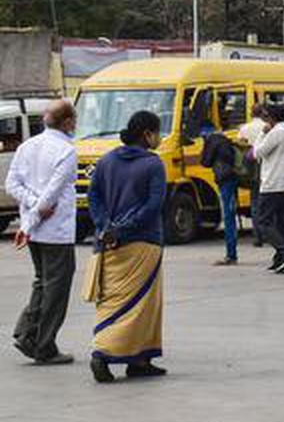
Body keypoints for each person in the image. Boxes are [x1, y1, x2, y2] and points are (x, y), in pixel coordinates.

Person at [86, 111, 168, 383]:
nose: (159, 137)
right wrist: (124, 227)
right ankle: (103, 353)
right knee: (143, 304)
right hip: (143, 242)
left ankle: (140, 360)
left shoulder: (107, 160)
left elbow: (93, 194)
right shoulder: (153, 164)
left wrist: (104, 226)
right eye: (157, 132)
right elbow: (153, 205)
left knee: (111, 302)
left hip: (109, 245)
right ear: (147, 134)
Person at [6, 100, 78, 365]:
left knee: (42, 282)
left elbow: (12, 184)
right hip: (55, 231)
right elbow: (53, 194)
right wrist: (38, 209)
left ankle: (27, 334)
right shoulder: (66, 151)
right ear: (68, 122)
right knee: (56, 289)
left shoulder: (28, 146)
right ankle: (43, 344)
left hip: (34, 230)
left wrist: (30, 214)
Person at [252, 103, 284, 273]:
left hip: (272, 184)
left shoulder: (276, 133)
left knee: (263, 221)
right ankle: (280, 258)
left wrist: (261, 134)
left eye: (266, 117)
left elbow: (257, 152)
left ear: (271, 118)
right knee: (280, 222)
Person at [202, 128, 241, 266]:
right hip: (233, 177)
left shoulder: (212, 142)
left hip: (224, 179)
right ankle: (232, 252)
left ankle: (231, 254)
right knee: (231, 214)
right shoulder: (226, 141)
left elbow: (205, 161)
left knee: (228, 216)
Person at [237, 104, 268, 247]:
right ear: (262, 113)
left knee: (255, 202)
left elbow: (240, 148)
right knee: (267, 202)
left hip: (250, 169)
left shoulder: (244, 128)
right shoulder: (267, 127)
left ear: (251, 113)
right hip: (266, 167)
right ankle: (269, 233)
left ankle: (258, 235)